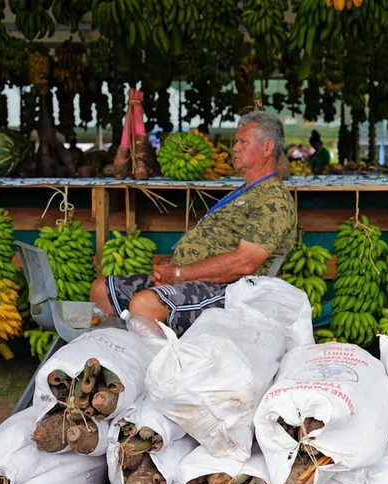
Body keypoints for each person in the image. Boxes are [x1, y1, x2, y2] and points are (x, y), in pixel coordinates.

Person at [90, 111, 298, 335]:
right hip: (192, 279)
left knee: (145, 305)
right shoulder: (244, 192)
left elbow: (245, 263)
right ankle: (121, 360)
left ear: (267, 148)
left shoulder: (273, 198)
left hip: (230, 290)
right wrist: (171, 270)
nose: (235, 147)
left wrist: (180, 274)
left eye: (243, 142)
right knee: (102, 290)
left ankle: (158, 367)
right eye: (236, 142)